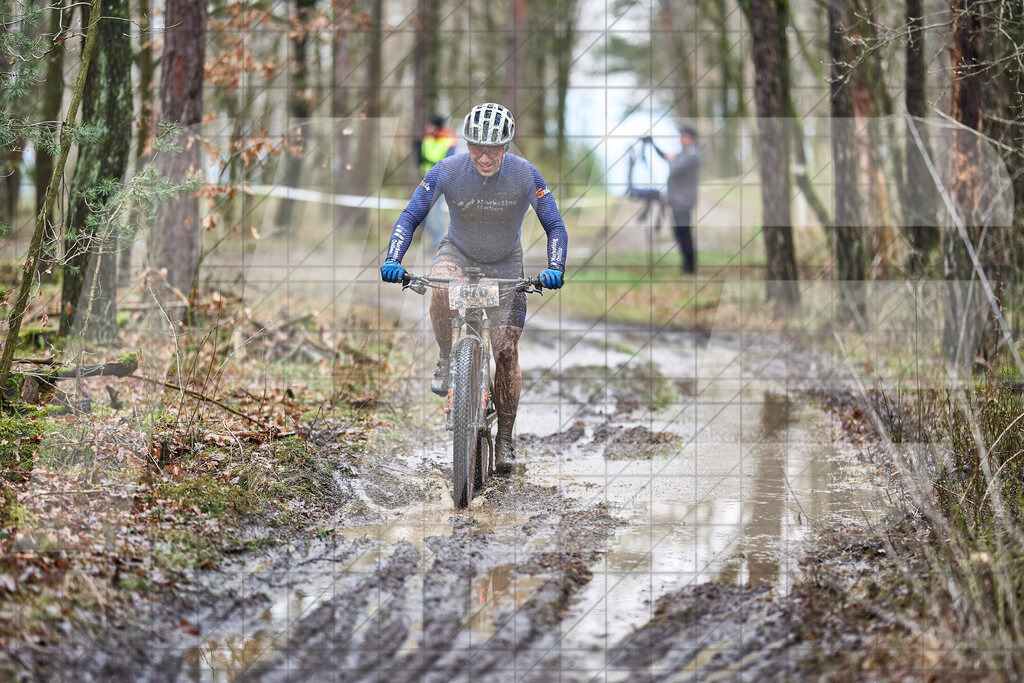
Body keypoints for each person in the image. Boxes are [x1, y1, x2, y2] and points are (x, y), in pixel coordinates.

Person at [380, 103, 567, 470]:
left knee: (506, 351)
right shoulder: (446, 170)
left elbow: (555, 226)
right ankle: (447, 357)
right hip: (458, 252)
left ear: (506, 146)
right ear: (466, 144)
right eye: (477, 147)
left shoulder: (525, 174)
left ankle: (505, 439)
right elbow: (411, 215)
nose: (484, 156)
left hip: (506, 262)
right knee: (441, 287)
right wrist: (393, 258)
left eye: (493, 149)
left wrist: (555, 267)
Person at [648, 126, 701, 273]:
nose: (681, 140)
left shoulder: (692, 154)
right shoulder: (685, 153)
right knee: (679, 232)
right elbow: (667, 157)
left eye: (684, 137)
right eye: (681, 136)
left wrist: (672, 159)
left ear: (691, 138)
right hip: (678, 200)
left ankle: (690, 266)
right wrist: (654, 145)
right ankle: (687, 264)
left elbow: (674, 168)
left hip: (683, 201)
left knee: (684, 232)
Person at [419, 115, 457, 249]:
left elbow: (449, 162)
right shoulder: (427, 140)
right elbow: (422, 160)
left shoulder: (448, 140)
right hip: (426, 181)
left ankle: (440, 242)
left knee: (437, 212)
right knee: (422, 214)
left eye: (430, 126)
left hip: (441, 181)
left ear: (436, 127)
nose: (427, 128)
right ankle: (437, 240)